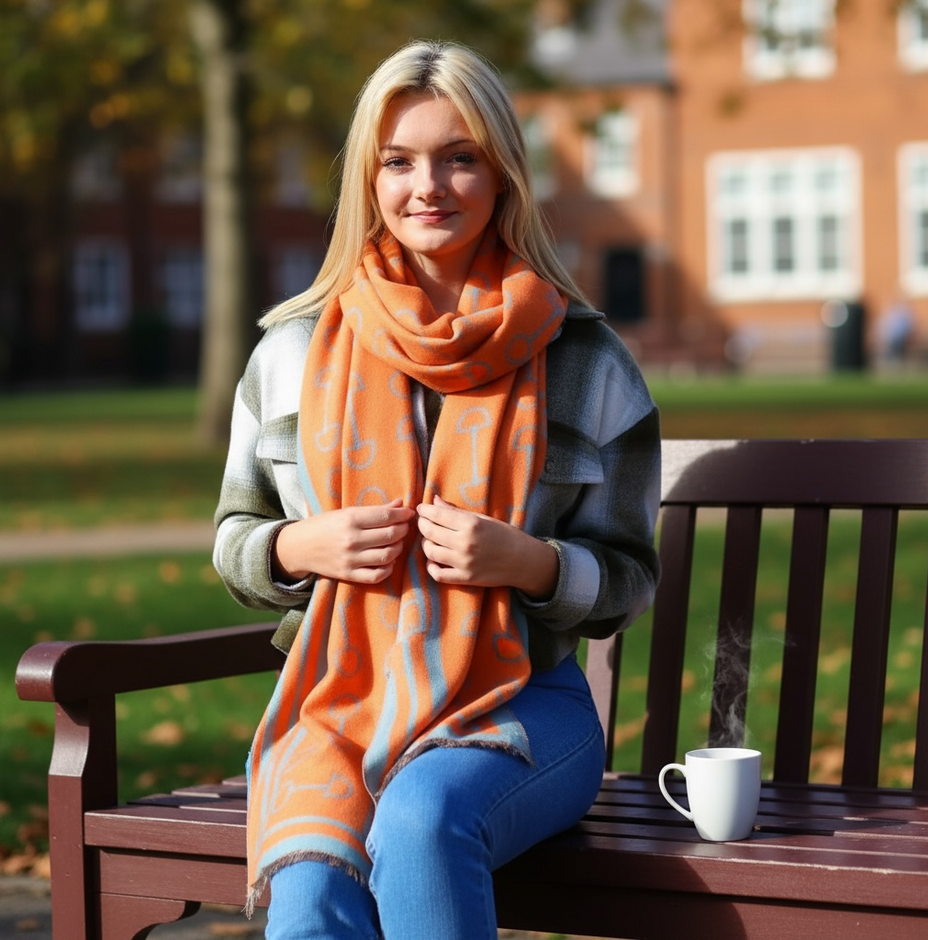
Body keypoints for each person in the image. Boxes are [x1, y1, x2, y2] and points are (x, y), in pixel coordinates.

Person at [213, 39, 661, 940]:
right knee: (309, 890)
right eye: (400, 161)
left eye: (460, 158)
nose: (430, 186)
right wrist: (301, 547)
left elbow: (628, 579)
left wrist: (530, 563)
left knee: (419, 822)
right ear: (368, 182)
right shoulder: (291, 355)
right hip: (339, 710)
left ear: (502, 175)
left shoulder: (584, 360)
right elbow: (235, 538)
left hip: (525, 705)